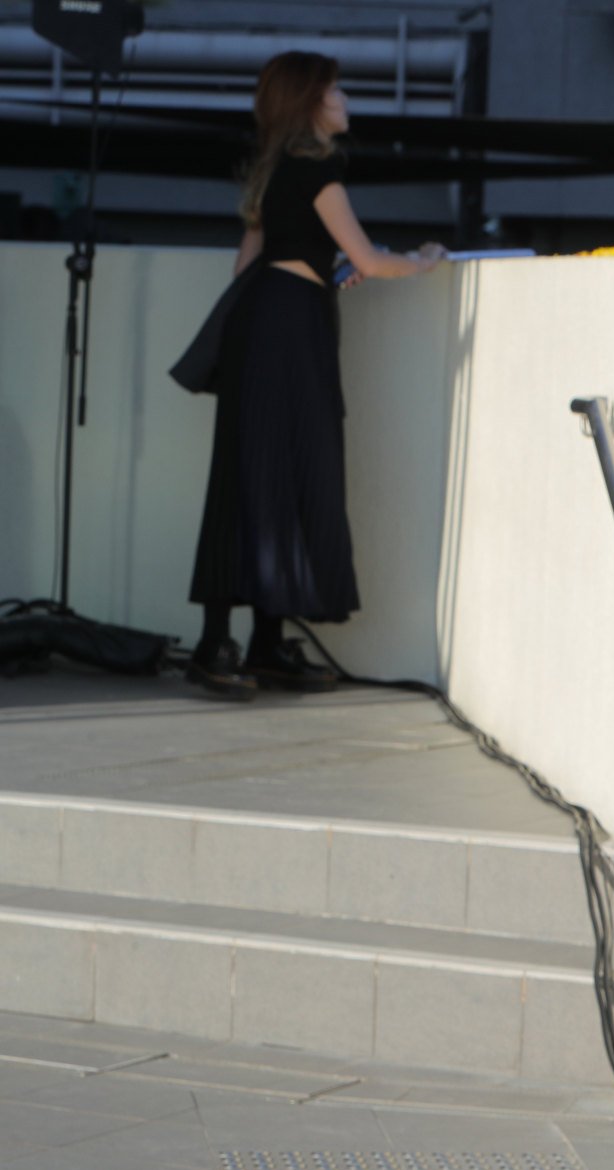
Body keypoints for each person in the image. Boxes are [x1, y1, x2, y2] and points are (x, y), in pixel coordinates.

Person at [185, 51, 445, 698]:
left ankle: (238, 642)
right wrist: (423, 258)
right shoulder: (317, 168)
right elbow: (367, 257)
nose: (345, 99)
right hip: (289, 331)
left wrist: (316, 271)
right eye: (335, 90)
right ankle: (248, 644)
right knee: (292, 468)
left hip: (260, 325)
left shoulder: (273, 171)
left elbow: (247, 267)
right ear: (311, 102)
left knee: (248, 474)